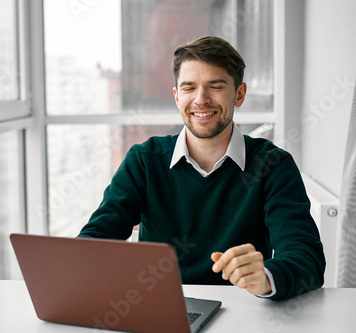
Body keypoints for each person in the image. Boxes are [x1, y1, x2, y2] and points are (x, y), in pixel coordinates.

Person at [78, 36, 325, 300]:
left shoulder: (274, 165)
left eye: (215, 86)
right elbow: (96, 239)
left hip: (245, 313)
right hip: (160, 310)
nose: (201, 99)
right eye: (188, 88)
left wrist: (266, 277)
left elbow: (306, 258)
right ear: (176, 96)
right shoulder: (144, 160)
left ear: (239, 94)